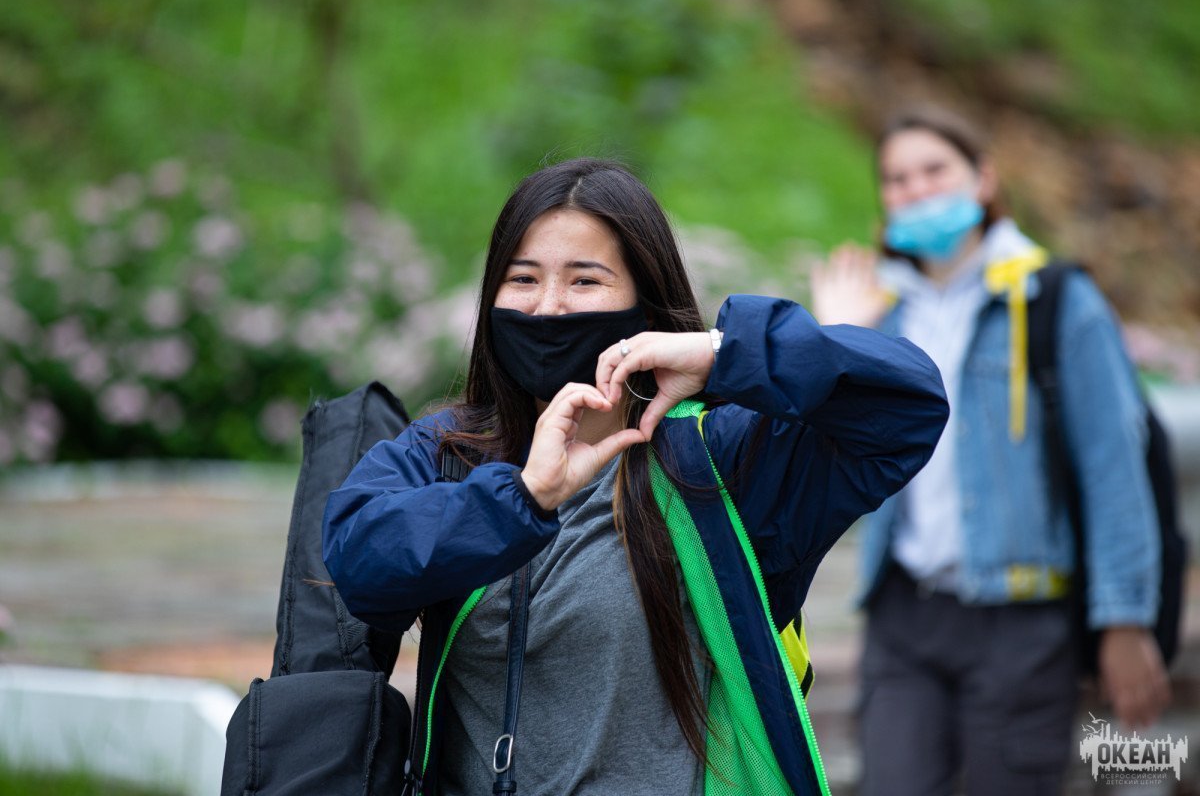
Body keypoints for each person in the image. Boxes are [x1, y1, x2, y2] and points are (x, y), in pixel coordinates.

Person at [322, 157, 948, 796]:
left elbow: (905, 407)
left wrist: (720, 354)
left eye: (585, 281)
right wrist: (522, 498)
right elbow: (358, 562)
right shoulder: (447, 452)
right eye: (523, 279)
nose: (548, 308)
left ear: (643, 303)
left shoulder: (719, 460)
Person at [810, 105, 1170, 796]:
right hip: (904, 616)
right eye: (896, 179)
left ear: (982, 179)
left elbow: (1112, 462)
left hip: (1021, 620)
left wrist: (1126, 618)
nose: (915, 190)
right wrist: (832, 343)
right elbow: (828, 454)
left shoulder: (1057, 298)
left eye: (934, 170)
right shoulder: (883, 309)